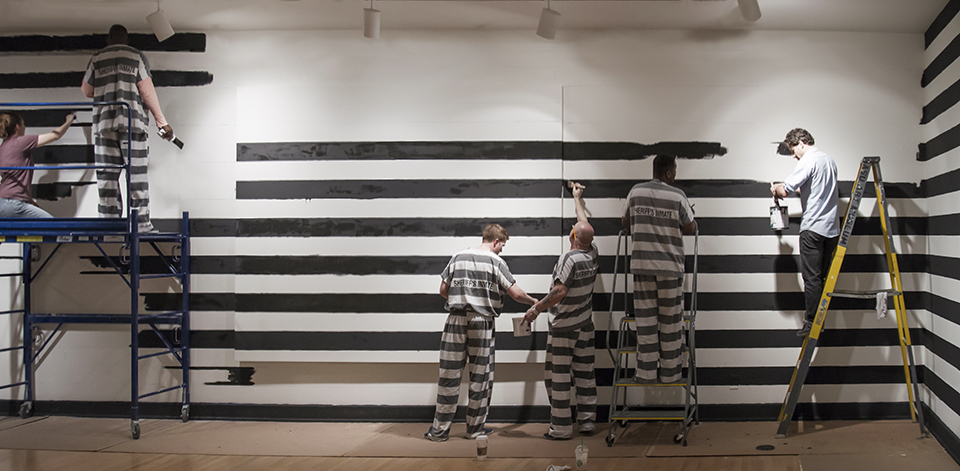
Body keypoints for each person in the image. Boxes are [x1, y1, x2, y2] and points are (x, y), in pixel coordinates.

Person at [425, 223, 538, 442]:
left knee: (449, 375)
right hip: (482, 322)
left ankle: (439, 431)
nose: (502, 250)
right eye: (502, 245)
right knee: (480, 377)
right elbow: (515, 294)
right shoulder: (497, 262)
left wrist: (463, 297)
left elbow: (442, 290)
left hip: (455, 321)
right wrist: (533, 301)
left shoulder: (458, 257)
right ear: (496, 241)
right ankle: (474, 429)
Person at [523, 181, 599, 440]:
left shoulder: (569, 259)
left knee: (558, 378)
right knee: (585, 375)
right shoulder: (592, 254)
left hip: (564, 327)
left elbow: (560, 292)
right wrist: (577, 199)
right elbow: (585, 227)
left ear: (572, 237)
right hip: (585, 325)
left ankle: (562, 428)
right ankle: (588, 423)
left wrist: (536, 308)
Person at [81, 24, 174, 232]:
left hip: (104, 124)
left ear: (109, 38)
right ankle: (140, 224)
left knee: (107, 176)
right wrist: (161, 122)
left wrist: (107, 89)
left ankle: (108, 225)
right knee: (136, 176)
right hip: (132, 123)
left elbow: (87, 90)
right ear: (127, 38)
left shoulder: (97, 58)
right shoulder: (136, 56)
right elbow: (147, 92)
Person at [622, 154, 696, 384]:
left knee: (646, 322)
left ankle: (645, 373)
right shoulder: (678, 195)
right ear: (669, 172)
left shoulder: (635, 192)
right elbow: (690, 227)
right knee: (671, 323)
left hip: (642, 265)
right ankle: (670, 374)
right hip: (670, 266)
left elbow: (625, 222)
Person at [770, 128, 839, 337]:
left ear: (801, 143)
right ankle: (821, 319)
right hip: (832, 229)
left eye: (793, 150)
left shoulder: (808, 160)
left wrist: (776, 188)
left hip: (813, 229)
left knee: (811, 278)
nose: (793, 155)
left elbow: (786, 190)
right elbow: (816, 189)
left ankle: (812, 322)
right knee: (823, 278)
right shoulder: (829, 161)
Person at [0, 111, 76, 218]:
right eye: (23, 124)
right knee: (56, 228)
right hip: (15, 204)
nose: (25, 127)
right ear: (17, 127)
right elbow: (55, 136)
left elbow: (14, 179)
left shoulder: (2, 148)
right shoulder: (20, 142)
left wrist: (30, 202)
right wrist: (69, 121)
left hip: (2, 202)